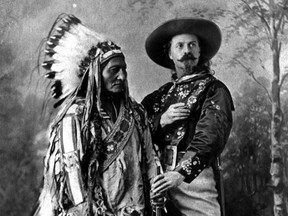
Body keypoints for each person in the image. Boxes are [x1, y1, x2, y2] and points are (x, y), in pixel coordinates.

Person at [33, 14, 158, 216]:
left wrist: (155, 191)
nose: (122, 76)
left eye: (124, 69)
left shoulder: (136, 112)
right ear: (95, 74)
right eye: (114, 70)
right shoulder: (74, 116)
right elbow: (71, 170)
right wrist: (85, 209)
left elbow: (150, 157)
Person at [141, 18, 235, 216]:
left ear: (200, 51)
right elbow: (137, 129)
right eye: (180, 46)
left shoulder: (214, 89)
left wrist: (180, 173)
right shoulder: (158, 96)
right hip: (156, 174)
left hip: (194, 179)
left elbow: (211, 137)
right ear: (170, 53)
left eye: (192, 45)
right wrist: (162, 120)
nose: (187, 51)